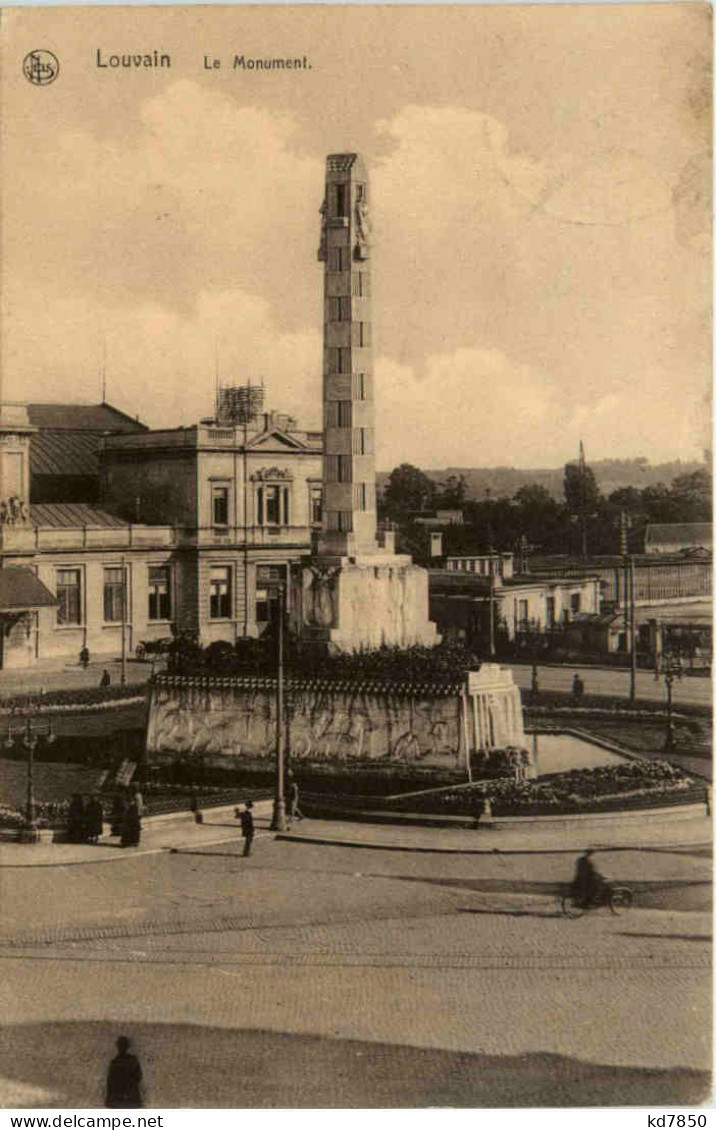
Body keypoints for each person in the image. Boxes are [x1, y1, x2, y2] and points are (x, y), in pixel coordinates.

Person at [106, 1035, 143, 1109]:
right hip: (128, 1097)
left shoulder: (115, 1062)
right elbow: (138, 1076)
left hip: (120, 1098)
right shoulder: (131, 1060)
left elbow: (110, 1082)